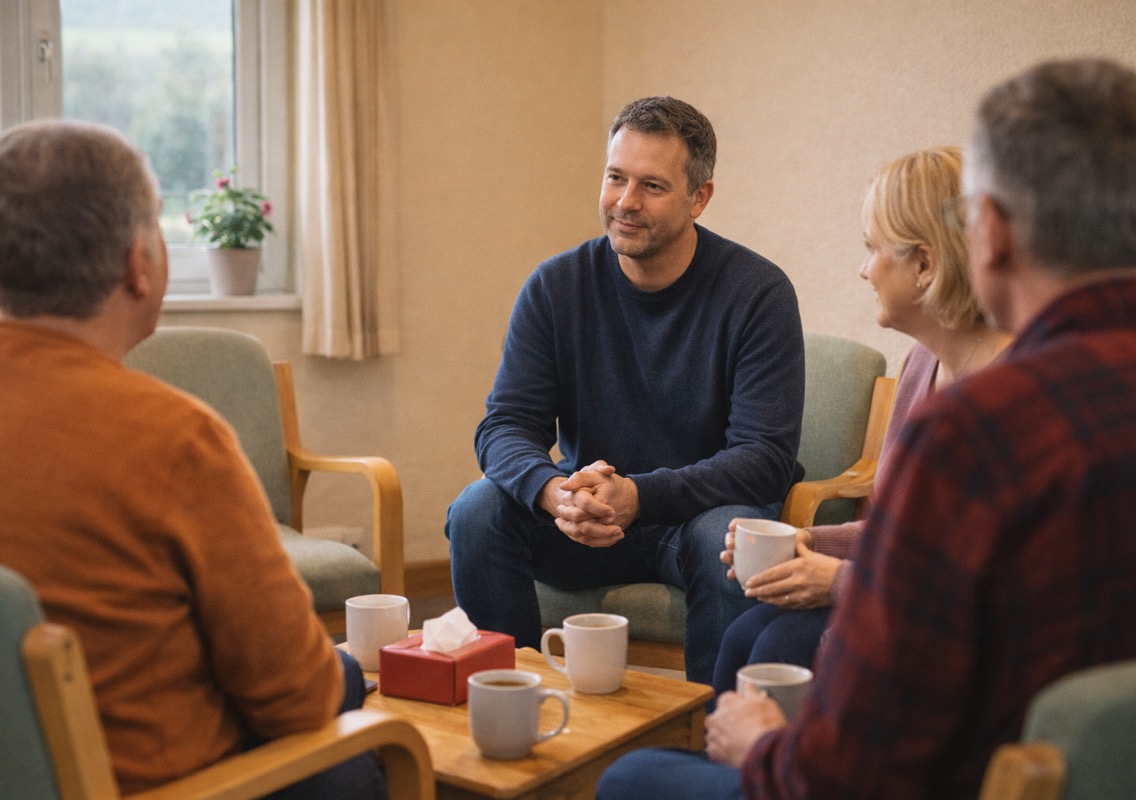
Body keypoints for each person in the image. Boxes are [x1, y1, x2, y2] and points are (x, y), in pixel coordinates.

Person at [598, 56, 1136, 799]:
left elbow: (845, 772)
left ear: (992, 235)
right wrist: (819, 547)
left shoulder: (978, 435)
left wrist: (762, 747)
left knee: (632, 775)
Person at [0, 120, 382, 799]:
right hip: (140, 781)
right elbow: (295, 696)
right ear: (135, 264)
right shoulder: (176, 439)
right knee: (352, 729)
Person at [445, 96, 805, 683]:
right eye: (616, 177)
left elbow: (764, 458)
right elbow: (506, 424)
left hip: (700, 515)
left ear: (699, 197)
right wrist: (554, 492)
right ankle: (510, 699)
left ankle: (717, 741)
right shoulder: (555, 286)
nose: (625, 203)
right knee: (478, 510)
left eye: (653, 186)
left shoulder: (757, 293)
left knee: (732, 538)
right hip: (588, 513)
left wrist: (639, 495)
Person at [711, 146, 1011, 688]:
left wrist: (841, 583)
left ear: (925, 264)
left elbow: (981, 581)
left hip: (946, 637)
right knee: (744, 631)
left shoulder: (1011, 395)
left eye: (873, 249)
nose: (863, 268)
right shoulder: (922, 364)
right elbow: (896, 531)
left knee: (776, 644)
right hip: (891, 587)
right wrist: (805, 544)